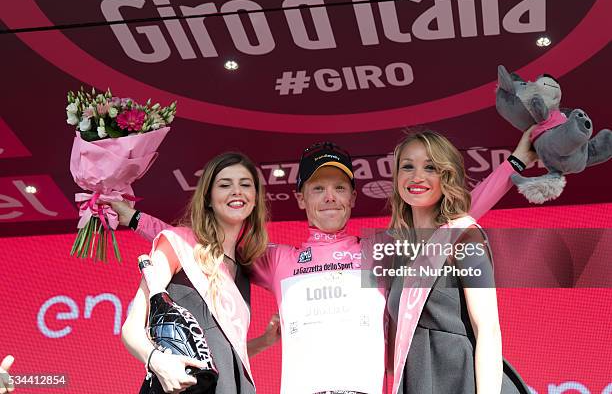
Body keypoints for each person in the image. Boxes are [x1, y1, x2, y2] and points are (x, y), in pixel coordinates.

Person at [116, 134, 535, 393]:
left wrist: (513, 164)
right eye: (318, 188)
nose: (329, 197)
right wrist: (134, 219)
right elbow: (203, 239)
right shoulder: (277, 260)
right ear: (300, 198)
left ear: (353, 197)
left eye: (339, 187)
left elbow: (452, 223)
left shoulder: (382, 251)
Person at [386, 131, 531, 393]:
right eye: (407, 166)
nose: (416, 176)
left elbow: (487, 328)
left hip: (463, 381)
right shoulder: (399, 250)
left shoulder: (464, 236)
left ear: (446, 175)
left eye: (430, 167)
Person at [121, 152, 270, 394]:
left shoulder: (243, 271)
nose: (236, 191)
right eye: (224, 185)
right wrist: (157, 361)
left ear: (255, 199)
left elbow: (219, 350)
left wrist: (264, 341)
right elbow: (131, 327)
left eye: (245, 184)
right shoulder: (176, 243)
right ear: (209, 198)